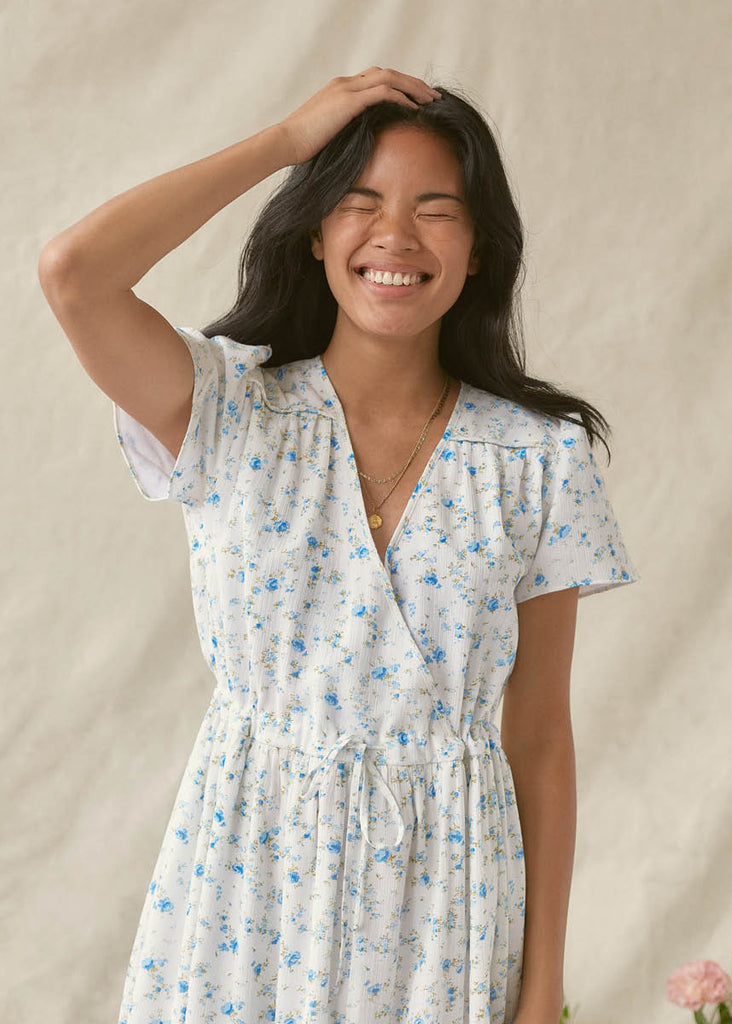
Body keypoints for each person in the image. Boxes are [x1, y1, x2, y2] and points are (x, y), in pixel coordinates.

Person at [38, 66, 639, 1024]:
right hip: (245, 885)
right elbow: (74, 273)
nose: (395, 235)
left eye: (436, 209)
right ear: (314, 232)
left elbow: (538, 738)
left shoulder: (536, 458)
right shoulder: (228, 411)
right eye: (360, 203)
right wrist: (285, 140)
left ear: (479, 250)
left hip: (450, 907)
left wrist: (542, 991)